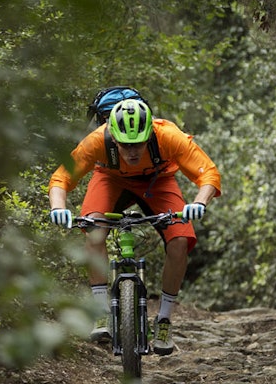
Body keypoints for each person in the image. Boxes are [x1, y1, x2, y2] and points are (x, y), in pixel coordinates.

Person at [48, 98, 221, 355]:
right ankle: (101, 312)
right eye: (125, 144)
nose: (132, 151)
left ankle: (163, 319)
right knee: (94, 231)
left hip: (157, 180)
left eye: (138, 144)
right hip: (111, 180)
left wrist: (200, 202)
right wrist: (58, 208)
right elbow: (61, 178)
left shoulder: (168, 136)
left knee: (180, 241)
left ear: (150, 133)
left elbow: (208, 173)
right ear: (113, 137)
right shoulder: (98, 140)